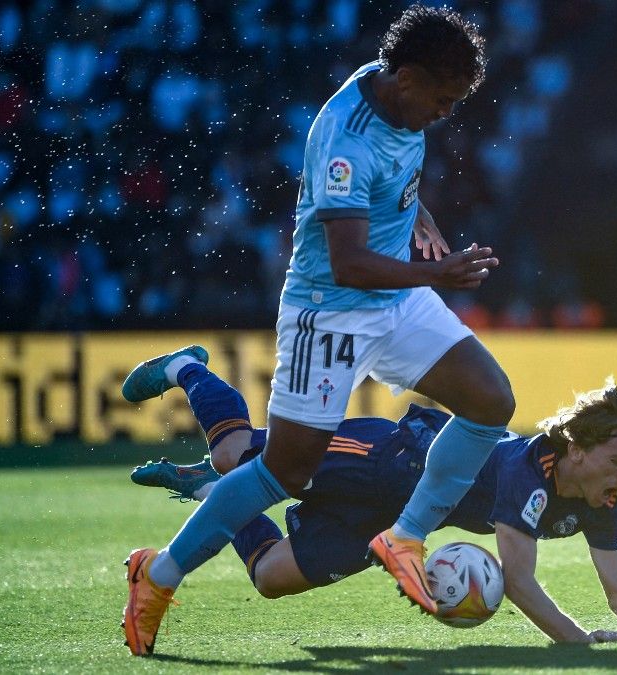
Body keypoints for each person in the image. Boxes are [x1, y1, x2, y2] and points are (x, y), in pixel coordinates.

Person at [120, 6, 516, 656]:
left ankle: (405, 535)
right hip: (329, 312)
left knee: (490, 399)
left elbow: (399, 176)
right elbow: (349, 261)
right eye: (442, 100)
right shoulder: (346, 137)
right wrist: (437, 271)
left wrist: (419, 219)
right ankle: (157, 574)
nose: (445, 114)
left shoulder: (394, 92)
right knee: (283, 473)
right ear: (410, 79)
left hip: (393, 300)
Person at [128, 350, 617, 645]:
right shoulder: (528, 471)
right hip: (388, 461)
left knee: (272, 576)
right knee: (240, 457)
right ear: (576, 449)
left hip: (397, 520)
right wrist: (578, 640)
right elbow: (517, 581)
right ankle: (189, 369)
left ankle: (214, 494)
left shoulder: (602, 496)